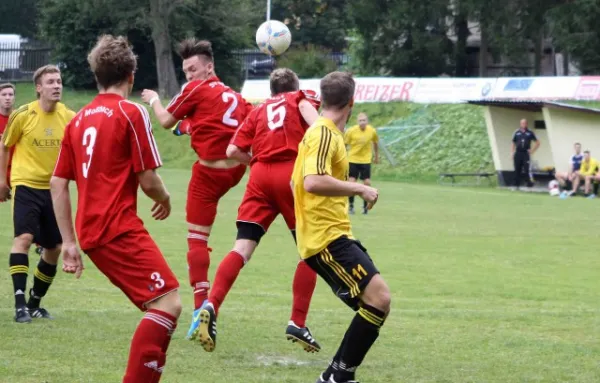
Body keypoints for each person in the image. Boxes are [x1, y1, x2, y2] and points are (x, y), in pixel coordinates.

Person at [51, 35, 181, 383]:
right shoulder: (131, 112)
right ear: (132, 75)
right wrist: (165, 200)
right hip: (117, 228)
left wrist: (69, 242)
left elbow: (57, 183)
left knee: (159, 305)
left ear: (96, 75)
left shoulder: (76, 121)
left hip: (93, 233)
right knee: (167, 304)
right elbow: (149, 179)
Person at [196, 68, 321, 353]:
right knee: (311, 250)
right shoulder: (301, 98)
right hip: (290, 173)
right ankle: (297, 322)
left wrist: (256, 159)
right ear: (294, 86)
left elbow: (232, 151)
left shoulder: (258, 110)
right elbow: (318, 126)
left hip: (260, 175)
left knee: (242, 248)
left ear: (271, 90)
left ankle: (212, 304)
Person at [141, 38, 252, 338]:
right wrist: (188, 125)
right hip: (236, 171)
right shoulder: (236, 97)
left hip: (208, 174)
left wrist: (153, 99)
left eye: (193, 69)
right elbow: (243, 126)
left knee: (196, 240)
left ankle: (199, 308)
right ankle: (203, 308)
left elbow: (164, 121)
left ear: (208, 67)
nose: (188, 75)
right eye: (186, 70)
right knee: (191, 125)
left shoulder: (195, 90)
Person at [291, 71, 391, 383]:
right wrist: (359, 189)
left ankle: (337, 375)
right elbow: (313, 181)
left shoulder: (325, 128)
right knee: (379, 299)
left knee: (373, 303)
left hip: (333, 236)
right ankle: (337, 377)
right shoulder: (324, 134)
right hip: (326, 239)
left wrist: (303, 101)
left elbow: (313, 117)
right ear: (351, 102)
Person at [0, 65, 75, 323]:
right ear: (39, 88)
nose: (57, 86)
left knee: (54, 248)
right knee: (24, 238)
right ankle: (20, 304)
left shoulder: (69, 117)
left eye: (59, 81)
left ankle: (34, 303)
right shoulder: (23, 114)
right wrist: (2, 180)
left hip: (55, 190)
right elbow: (5, 145)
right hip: (26, 186)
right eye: (51, 82)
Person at [344, 112, 379, 214]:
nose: (362, 122)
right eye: (360, 120)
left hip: (365, 160)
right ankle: (351, 206)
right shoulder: (351, 131)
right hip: (353, 159)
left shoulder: (371, 131)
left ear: (367, 121)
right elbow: (344, 144)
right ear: (357, 121)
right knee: (351, 182)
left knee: (367, 183)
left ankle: (365, 207)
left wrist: (376, 156)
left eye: (364, 120)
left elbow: (375, 142)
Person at [511, 118, 540, 190]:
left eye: (524, 123)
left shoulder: (530, 132)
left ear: (526, 124)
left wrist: (532, 150)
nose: (523, 124)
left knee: (527, 168)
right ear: (520, 124)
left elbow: (537, 142)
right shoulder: (516, 132)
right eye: (522, 123)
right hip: (518, 152)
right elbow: (513, 143)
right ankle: (516, 184)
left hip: (525, 153)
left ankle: (529, 183)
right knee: (517, 168)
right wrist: (512, 152)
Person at [0, 83, 15, 187]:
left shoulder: (20, 118)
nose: (7, 98)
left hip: (17, 170)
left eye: (10, 94)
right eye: (4, 95)